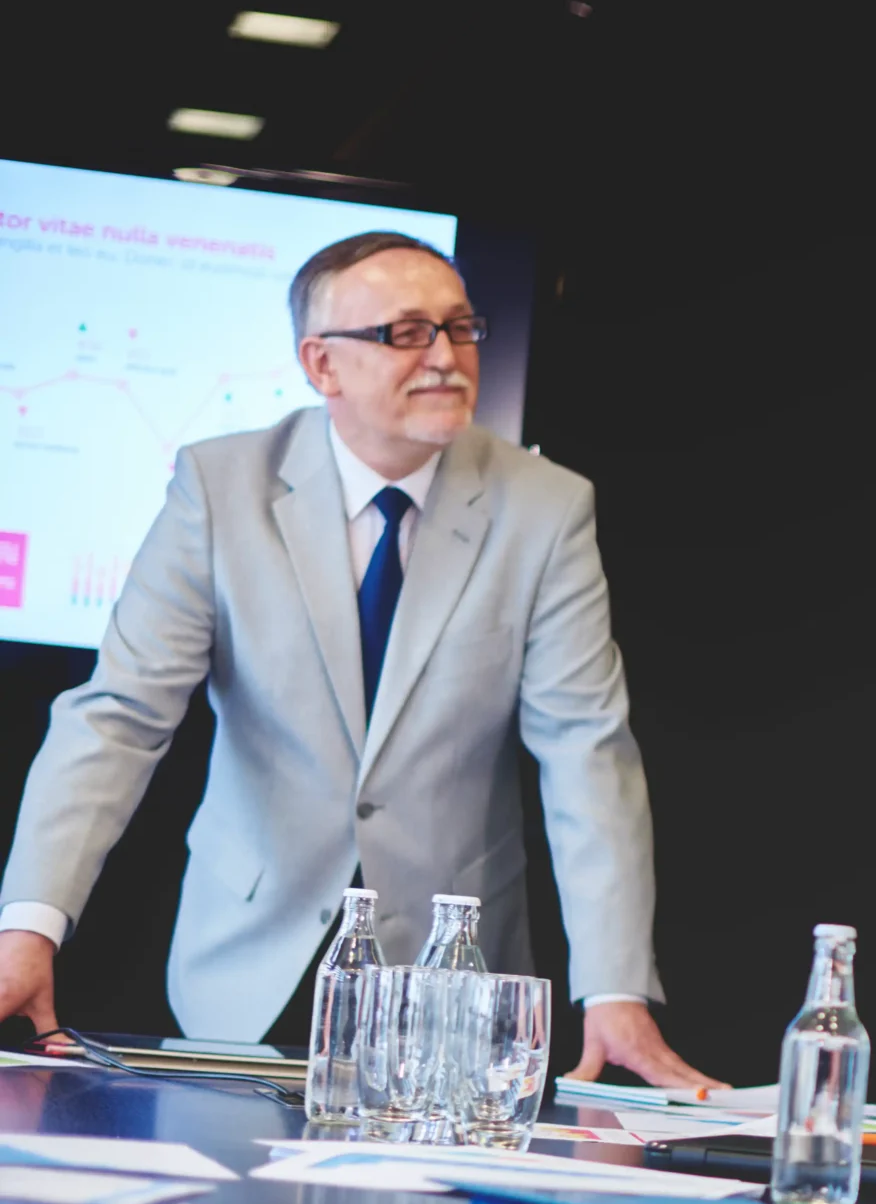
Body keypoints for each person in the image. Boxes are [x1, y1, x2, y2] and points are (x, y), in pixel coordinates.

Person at [0, 231, 714, 1087]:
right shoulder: (220, 488)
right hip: (246, 953)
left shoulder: (546, 509)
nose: (446, 357)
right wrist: (29, 927)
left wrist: (612, 989)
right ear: (322, 365)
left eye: (460, 328)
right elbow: (118, 719)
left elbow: (586, 752)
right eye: (405, 333)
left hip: (450, 975)